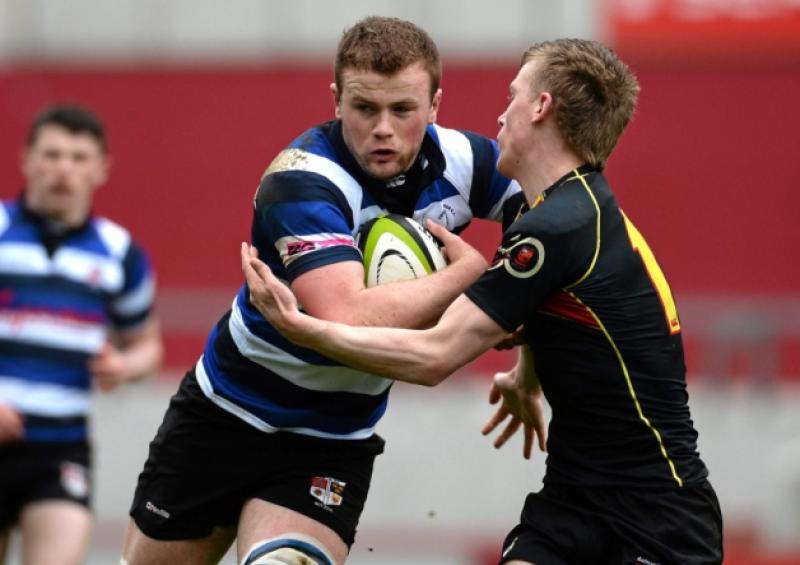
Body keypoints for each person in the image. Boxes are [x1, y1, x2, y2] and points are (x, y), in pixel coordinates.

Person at [243, 38, 724, 565]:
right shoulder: (572, 210)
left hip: (657, 513)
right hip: (572, 500)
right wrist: (528, 371)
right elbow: (569, 315)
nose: (500, 111)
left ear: (541, 108)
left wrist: (302, 328)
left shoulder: (555, 229)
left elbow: (433, 359)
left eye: (513, 95)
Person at [122, 16, 521, 565]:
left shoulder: (466, 162)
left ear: (434, 104)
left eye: (403, 110)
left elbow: (558, 230)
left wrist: (533, 363)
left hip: (333, 436)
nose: (383, 128)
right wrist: (466, 278)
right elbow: (347, 316)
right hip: (227, 411)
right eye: (364, 108)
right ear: (336, 100)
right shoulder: (301, 179)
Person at [0, 104, 163, 565]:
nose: (62, 169)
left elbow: (147, 347)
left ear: (101, 169)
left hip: (60, 445)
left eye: (77, 157)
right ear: (26, 160)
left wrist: (124, 367)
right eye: (51, 155)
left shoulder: (120, 252)